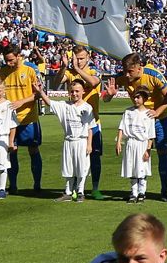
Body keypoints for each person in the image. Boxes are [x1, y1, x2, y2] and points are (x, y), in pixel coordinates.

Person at [111, 53, 167, 200]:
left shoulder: (153, 75)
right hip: (138, 120)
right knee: (137, 155)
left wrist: (157, 112)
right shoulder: (122, 77)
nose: (126, 75)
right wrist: (110, 95)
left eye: (130, 71)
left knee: (162, 153)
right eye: (125, 71)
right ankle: (136, 191)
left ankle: (164, 190)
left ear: (139, 68)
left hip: (158, 120)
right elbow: (107, 97)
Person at [0, 43, 48, 194]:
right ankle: (13, 186)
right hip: (9, 120)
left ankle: (37, 185)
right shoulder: (3, 71)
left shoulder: (31, 69)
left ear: (19, 56)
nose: (9, 63)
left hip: (28, 118)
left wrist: (22, 101)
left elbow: (39, 92)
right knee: (12, 150)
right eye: (6, 60)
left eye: (11, 60)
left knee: (33, 149)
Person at [62, 47, 111, 200]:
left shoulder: (94, 70)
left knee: (95, 157)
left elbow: (93, 81)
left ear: (88, 57)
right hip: (75, 126)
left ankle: (95, 188)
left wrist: (77, 68)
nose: (79, 61)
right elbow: (57, 81)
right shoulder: (70, 72)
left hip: (93, 123)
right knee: (76, 158)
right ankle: (76, 189)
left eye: (82, 58)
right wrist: (64, 67)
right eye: (76, 58)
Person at [48, 77, 100, 202]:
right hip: (68, 141)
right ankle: (68, 192)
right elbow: (49, 102)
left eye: (77, 91)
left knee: (82, 167)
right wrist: (40, 92)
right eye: (72, 91)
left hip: (82, 141)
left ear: (83, 92)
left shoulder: (87, 107)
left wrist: (89, 145)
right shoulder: (64, 105)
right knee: (68, 167)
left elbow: (90, 128)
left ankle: (81, 191)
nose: (74, 94)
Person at [117, 90, 157, 203]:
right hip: (130, 143)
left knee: (141, 169)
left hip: (142, 144)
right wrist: (119, 142)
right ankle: (133, 193)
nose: (135, 100)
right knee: (132, 169)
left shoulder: (149, 114)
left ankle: (142, 193)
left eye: (138, 97)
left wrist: (148, 150)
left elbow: (151, 134)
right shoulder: (128, 112)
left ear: (144, 99)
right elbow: (121, 128)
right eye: (134, 97)